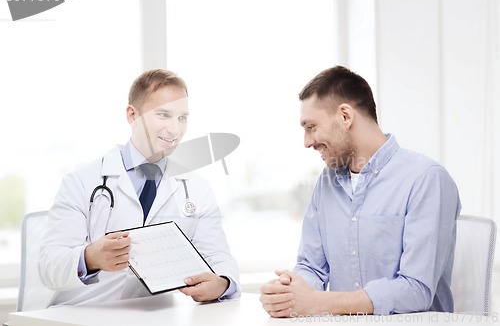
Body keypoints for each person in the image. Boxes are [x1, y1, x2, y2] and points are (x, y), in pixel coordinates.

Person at [260, 66, 461, 317]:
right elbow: (312, 267)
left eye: (311, 127)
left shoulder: (426, 179)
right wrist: (289, 293)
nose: (307, 142)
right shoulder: (326, 183)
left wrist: (320, 303)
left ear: (345, 116)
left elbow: (416, 290)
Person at [39, 69, 240, 306]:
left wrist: (222, 283)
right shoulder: (81, 181)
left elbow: (218, 258)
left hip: (157, 316)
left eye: (182, 118)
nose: (175, 130)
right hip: (84, 312)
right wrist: (91, 257)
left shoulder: (197, 188)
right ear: (132, 115)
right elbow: (48, 266)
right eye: (163, 115)